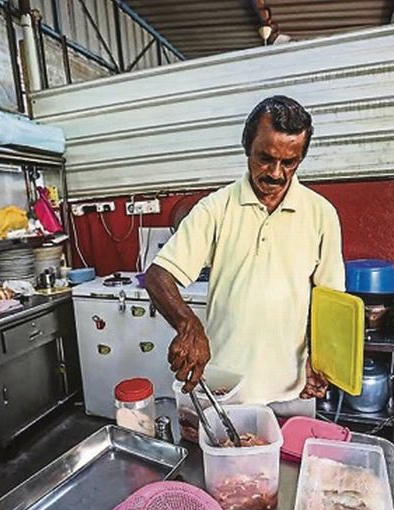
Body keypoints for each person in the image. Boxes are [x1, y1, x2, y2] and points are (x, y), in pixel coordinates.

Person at [145, 96, 345, 416]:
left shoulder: (321, 214)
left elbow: (331, 299)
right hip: (226, 386)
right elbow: (158, 275)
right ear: (246, 147)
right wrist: (188, 324)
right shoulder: (216, 208)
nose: (276, 174)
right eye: (265, 158)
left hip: (294, 387)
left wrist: (322, 362)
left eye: (289, 162)